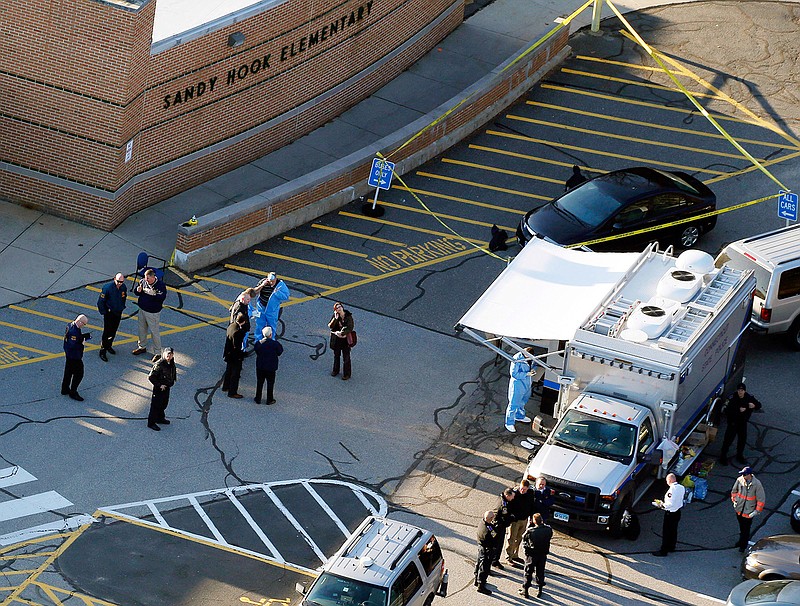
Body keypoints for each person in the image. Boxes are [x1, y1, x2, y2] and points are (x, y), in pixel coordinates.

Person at [719, 383, 762, 465]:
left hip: (742, 423)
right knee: (728, 440)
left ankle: (739, 455)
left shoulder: (749, 397)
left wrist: (754, 406)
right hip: (733, 423)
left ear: (744, 391)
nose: (740, 392)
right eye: (739, 390)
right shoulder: (732, 399)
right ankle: (723, 456)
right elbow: (726, 411)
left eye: (742, 390)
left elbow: (759, 405)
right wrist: (738, 410)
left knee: (742, 440)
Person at [132, 268, 168, 357]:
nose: (146, 280)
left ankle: (157, 352)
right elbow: (136, 293)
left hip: (153, 313)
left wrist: (153, 294)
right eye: (145, 277)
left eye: (148, 278)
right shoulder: (143, 282)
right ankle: (142, 347)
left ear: (153, 277)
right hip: (142, 310)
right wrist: (138, 290)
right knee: (142, 330)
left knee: (154, 332)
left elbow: (161, 298)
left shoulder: (160, 286)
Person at [731, 466, 765, 552]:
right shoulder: (740, 480)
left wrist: (756, 511)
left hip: (749, 511)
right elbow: (734, 491)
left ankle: (743, 545)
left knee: (746, 529)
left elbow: (761, 499)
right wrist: (735, 501)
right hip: (739, 509)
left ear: (749, 475)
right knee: (742, 527)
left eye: (744, 474)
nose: (743, 476)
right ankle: (741, 541)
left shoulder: (757, 484)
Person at [520, 512, 553, 599]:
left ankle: (525, 590)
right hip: (542, 554)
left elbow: (524, 540)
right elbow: (550, 535)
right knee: (540, 571)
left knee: (528, 572)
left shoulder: (531, 531)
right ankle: (540, 589)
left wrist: (526, 551)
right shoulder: (548, 529)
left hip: (532, 554)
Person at [652, 473, 685, 557]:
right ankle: (672, 546)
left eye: (667, 480)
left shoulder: (671, 490)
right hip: (678, 512)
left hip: (670, 513)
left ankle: (664, 550)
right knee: (673, 530)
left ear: (669, 480)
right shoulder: (681, 487)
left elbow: (669, 504)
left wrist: (660, 504)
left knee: (666, 532)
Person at [96, 272, 127, 362]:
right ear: (114, 279)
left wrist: (121, 308)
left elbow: (123, 298)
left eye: (121, 282)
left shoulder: (123, 287)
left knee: (114, 330)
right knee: (107, 331)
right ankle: (103, 350)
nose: (120, 283)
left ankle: (109, 345)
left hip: (118, 312)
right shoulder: (107, 288)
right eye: (118, 281)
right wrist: (104, 312)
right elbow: (101, 301)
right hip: (109, 313)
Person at [251, 273, 289, 343]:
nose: (271, 283)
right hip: (261, 307)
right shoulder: (263, 282)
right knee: (259, 324)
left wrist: (277, 292)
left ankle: (271, 341)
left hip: (272, 310)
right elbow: (254, 292)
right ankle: (258, 340)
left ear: (276, 279)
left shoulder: (280, 285)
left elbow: (286, 296)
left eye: (273, 281)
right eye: (269, 281)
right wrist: (262, 285)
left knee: (271, 326)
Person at [61, 314, 91, 401]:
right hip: (74, 355)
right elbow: (73, 344)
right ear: (80, 322)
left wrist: (81, 337)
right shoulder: (74, 332)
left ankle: (65, 388)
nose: (83, 326)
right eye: (84, 324)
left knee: (68, 372)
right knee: (79, 374)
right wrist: (82, 341)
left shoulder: (70, 325)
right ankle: (73, 392)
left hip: (69, 354)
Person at [505, 347, 534, 432]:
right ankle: (509, 423)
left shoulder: (530, 358)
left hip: (527, 383)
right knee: (513, 404)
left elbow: (533, 365)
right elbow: (514, 374)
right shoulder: (517, 359)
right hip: (518, 385)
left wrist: (532, 370)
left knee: (522, 401)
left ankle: (519, 416)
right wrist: (526, 374)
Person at [505, 479, 533, 565]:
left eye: (524, 489)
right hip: (515, 521)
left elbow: (531, 505)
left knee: (519, 538)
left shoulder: (530, 493)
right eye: (521, 488)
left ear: (527, 488)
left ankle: (515, 555)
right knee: (512, 538)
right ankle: (508, 557)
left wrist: (531, 517)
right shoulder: (515, 493)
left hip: (524, 520)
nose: (522, 490)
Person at [147, 347, 176, 431]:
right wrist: (159, 385)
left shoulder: (171, 363)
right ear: (164, 354)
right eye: (168, 354)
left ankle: (160, 418)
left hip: (167, 387)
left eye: (171, 354)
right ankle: (151, 423)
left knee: (164, 404)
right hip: (159, 388)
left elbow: (172, 372)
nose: (169, 355)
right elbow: (151, 377)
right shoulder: (159, 364)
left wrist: (172, 381)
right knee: (155, 406)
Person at [254, 326, 283, 404]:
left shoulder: (259, 343)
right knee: (270, 383)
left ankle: (258, 398)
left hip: (260, 366)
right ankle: (269, 399)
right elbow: (280, 352)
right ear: (270, 334)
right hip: (271, 367)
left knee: (260, 382)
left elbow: (256, 351)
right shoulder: (275, 344)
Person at [222, 313, 248, 399]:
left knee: (228, 370)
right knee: (235, 374)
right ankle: (232, 392)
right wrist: (240, 356)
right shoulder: (238, 332)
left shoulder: (231, 326)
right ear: (243, 321)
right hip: (235, 356)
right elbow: (237, 346)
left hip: (228, 353)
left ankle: (225, 386)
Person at [328, 301, 354, 380]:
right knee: (336, 356)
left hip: (345, 340)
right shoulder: (336, 316)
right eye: (337, 308)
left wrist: (342, 333)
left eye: (339, 307)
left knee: (346, 357)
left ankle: (347, 374)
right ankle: (335, 370)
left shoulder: (348, 316)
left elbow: (350, 327)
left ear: (342, 307)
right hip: (337, 340)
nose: (339, 308)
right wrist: (335, 319)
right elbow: (330, 326)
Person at [491, 487, 516, 569]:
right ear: (507, 495)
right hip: (499, 527)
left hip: (500, 526)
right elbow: (501, 517)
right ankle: (494, 561)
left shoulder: (504, 500)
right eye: (512, 497)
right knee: (497, 545)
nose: (513, 498)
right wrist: (511, 518)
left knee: (498, 545)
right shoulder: (502, 505)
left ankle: (494, 560)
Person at [475, 510, 497, 596]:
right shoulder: (487, 530)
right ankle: (481, 585)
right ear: (490, 518)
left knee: (479, 563)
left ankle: (477, 579)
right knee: (484, 567)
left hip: (481, 547)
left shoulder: (482, 523)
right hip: (486, 549)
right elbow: (493, 537)